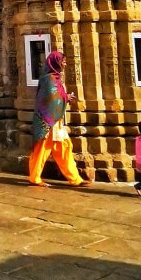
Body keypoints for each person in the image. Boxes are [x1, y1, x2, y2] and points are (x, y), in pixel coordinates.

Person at [29, 50, 90, 188]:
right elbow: (49, 99)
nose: (65, 63)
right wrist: (65, 98)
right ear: (56, 62)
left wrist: (65, 97)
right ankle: (34, 177)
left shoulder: (56, 78)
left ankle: (75, 179)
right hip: (47, 121)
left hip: (57, 121)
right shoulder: (48, 79)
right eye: (63, 61)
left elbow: (56, 96)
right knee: (42, 149)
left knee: (64, 148)